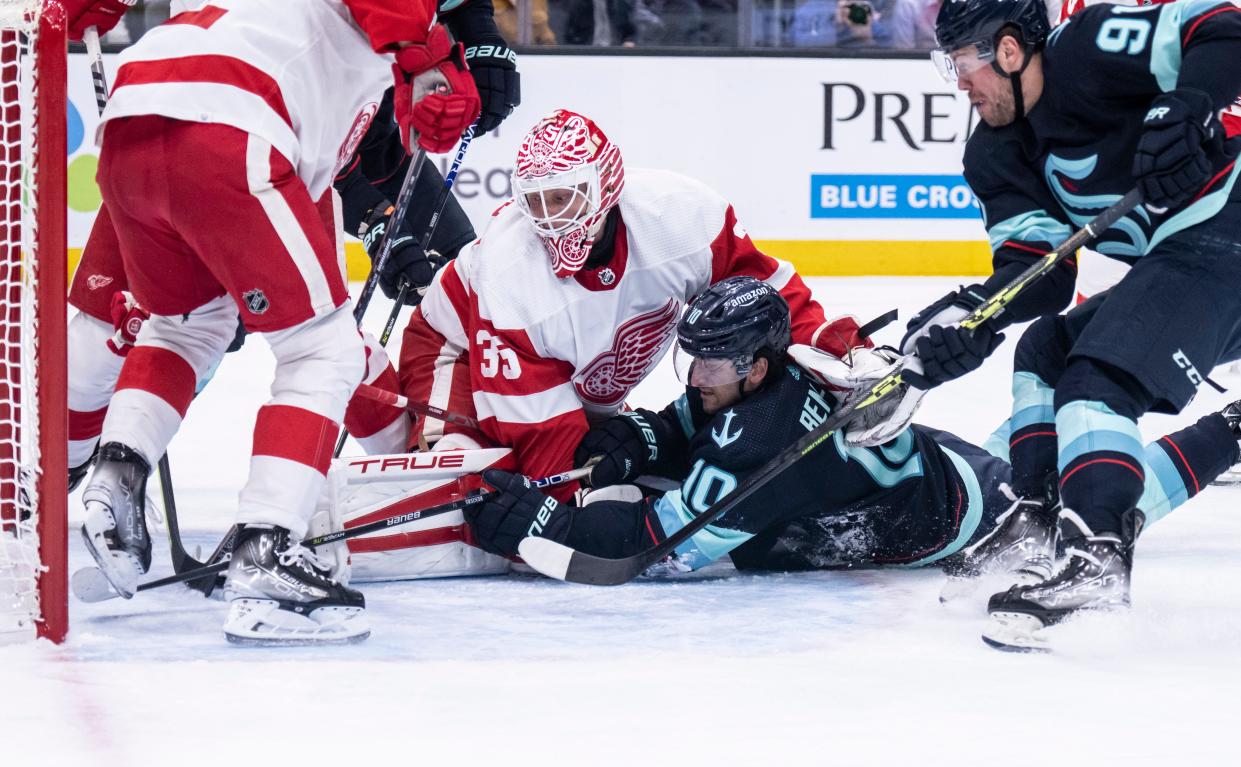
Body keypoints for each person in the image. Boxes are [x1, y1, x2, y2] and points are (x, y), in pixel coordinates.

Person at [76, 0, 481, 646]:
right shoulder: (388, 23)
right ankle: (267, 551)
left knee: (185, 325)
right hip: (230, 119)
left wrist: (432, 72)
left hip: (134, 125)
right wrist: (438, 55)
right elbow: (395, 17)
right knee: (325, 353)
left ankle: (117, 476)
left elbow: (399, 82)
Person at [461, 277, 1241, 600]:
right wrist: (632, 441)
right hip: (948, 472)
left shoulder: (761, 439)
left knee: (1103, 500)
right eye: (691, 358)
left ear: (757, 365)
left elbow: (655, 551)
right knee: (1047, 404)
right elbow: (677, 426)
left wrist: (545, 527)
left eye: (713, 363)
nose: (696, 374)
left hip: (978, 528)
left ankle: (1231, 428)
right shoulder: (752, 378)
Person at [379, 109, 872, 581]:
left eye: (564, 198)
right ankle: (412, 436)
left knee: (612, 484)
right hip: (457, 354)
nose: (550, 220)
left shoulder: (677, 216)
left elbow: (766, 300)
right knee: (490, 483)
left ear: (605, 185)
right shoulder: (513, 273)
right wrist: (560, 518)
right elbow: (540, 432)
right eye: (537, 201)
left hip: (577, 382)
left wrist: (846, 355)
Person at [898, 0, 1241, 647]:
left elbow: (1221, 29)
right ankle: (1035, 516)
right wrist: (972, 322)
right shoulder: (995, 154)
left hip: (1227, 225)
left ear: (1006, 49)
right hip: (1187, 254)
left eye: (962, 63)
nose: (959, 84)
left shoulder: (1084, 51)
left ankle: (1096, 557)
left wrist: (1188, 101)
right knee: (1046, 350)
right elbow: (1039, 272)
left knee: (1097, 378)